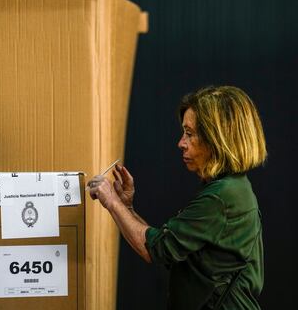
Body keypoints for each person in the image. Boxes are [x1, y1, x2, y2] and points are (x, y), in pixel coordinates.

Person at [87, 86, 266, 310]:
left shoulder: (223, 197)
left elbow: (155, 249)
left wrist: (112, 201)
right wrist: (126, 208)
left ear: (218, 139)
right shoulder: (232, 189)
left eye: (190, 134)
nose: (181, 143)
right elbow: (164, 243)